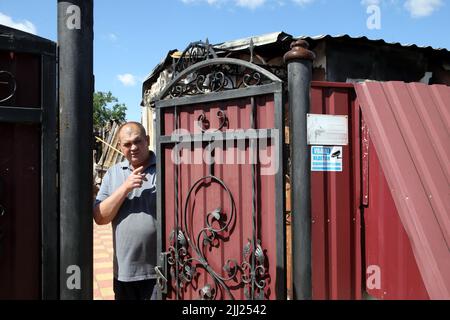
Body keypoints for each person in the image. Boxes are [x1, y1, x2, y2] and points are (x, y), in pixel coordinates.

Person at [94, 121, 157, 300]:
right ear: (120, 147)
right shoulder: (113, 173)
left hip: (158, 271)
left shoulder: (164, 168)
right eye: (127, 144)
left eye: (138, 141)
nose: (133, 147)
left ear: (147, 140)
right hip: (124, 271)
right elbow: (100, 217)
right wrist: (125, 188)